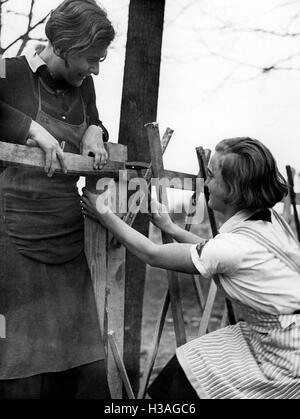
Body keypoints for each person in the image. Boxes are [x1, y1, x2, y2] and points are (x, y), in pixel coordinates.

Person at [82, 137, 300, 399]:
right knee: (187, 366)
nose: (205, 183)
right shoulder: (267, 219)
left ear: (233, 190)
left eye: (211, 176)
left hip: (284, 356)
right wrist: (171, 228)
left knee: (192, 380)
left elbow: (152, 253)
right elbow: (214, 251)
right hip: (276, 333)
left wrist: (103, 213)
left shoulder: (233, 247)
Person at [0, 0, 115, 399]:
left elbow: (92, 118)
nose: (96, 69)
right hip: (15, 241)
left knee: (81, 360)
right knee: (21, 361)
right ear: (63, 47)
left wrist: (95, 131)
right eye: (91, 59)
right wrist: (29, 128)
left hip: (66, 237)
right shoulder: (9, 70)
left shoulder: (85, 85)